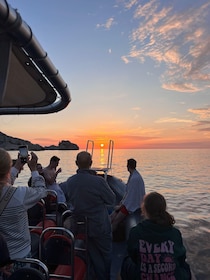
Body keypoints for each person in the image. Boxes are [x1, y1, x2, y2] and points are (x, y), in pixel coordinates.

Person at [61, 151, 116, 280]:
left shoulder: (70, 182)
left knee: (91, 254)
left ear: (76, 164)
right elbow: (111, 200)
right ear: (91, 163)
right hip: (100, 226)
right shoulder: (99, 182)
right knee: (105, 254)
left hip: (82, 227)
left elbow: (67, 198)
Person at [121, 192, 192, 280]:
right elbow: (181, 257)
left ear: (145, 209)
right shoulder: (175, 233)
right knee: (185, 266)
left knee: (127, 262)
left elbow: (133, 255)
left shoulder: (136, 232)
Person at [0, 148, 47, 260]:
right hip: (18, 255)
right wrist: (34, 170)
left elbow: (4, 182)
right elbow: (41, 191)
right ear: (7, 169)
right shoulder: (19, 195)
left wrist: (17, 166)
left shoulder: (16, 194)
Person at [111, 158, 145, 232]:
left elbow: (130, 197)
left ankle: (108, 237)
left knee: (116, 221)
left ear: (128, 166)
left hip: (131, 206)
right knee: (112, 216)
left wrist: (121, 206)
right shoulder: (135, 175)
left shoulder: (134, 178)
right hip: (128, 204)